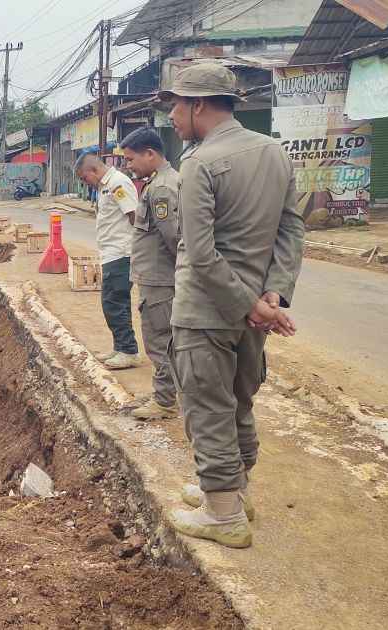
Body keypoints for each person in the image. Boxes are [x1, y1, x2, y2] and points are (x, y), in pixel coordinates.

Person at [159, 63, 303, 548]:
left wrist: (248, 304)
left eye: (177, 106)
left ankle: (223, 516)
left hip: (206, 310)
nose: (173, 116)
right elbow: (291, 229)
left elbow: (199, 253)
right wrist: (272, 296)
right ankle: (234, 491)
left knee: (207, 408)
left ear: (199, 104)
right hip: (254, 311)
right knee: (239, 401)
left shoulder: (199, 163)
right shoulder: (275, 153)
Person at [120, 127, 181, 420]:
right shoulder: (160, 182)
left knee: (161, 342)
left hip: (160, 282)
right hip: (156, 280)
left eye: (131, 159)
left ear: (150, 154)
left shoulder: (162, 190)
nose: (128, 166)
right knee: (164, 341)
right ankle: (165, 393)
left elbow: (175, 240)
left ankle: (165, 402)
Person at [74, 152, 141, 370]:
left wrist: (138, 249)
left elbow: (134, 216)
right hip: (111, 253)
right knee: (112, 302)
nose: (86, 183)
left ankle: (128, 351)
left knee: (115, 302)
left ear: (93, 170)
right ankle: (120, 346)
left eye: (85, 178)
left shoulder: (118, 183)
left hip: (121, 253)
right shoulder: (106, 186)